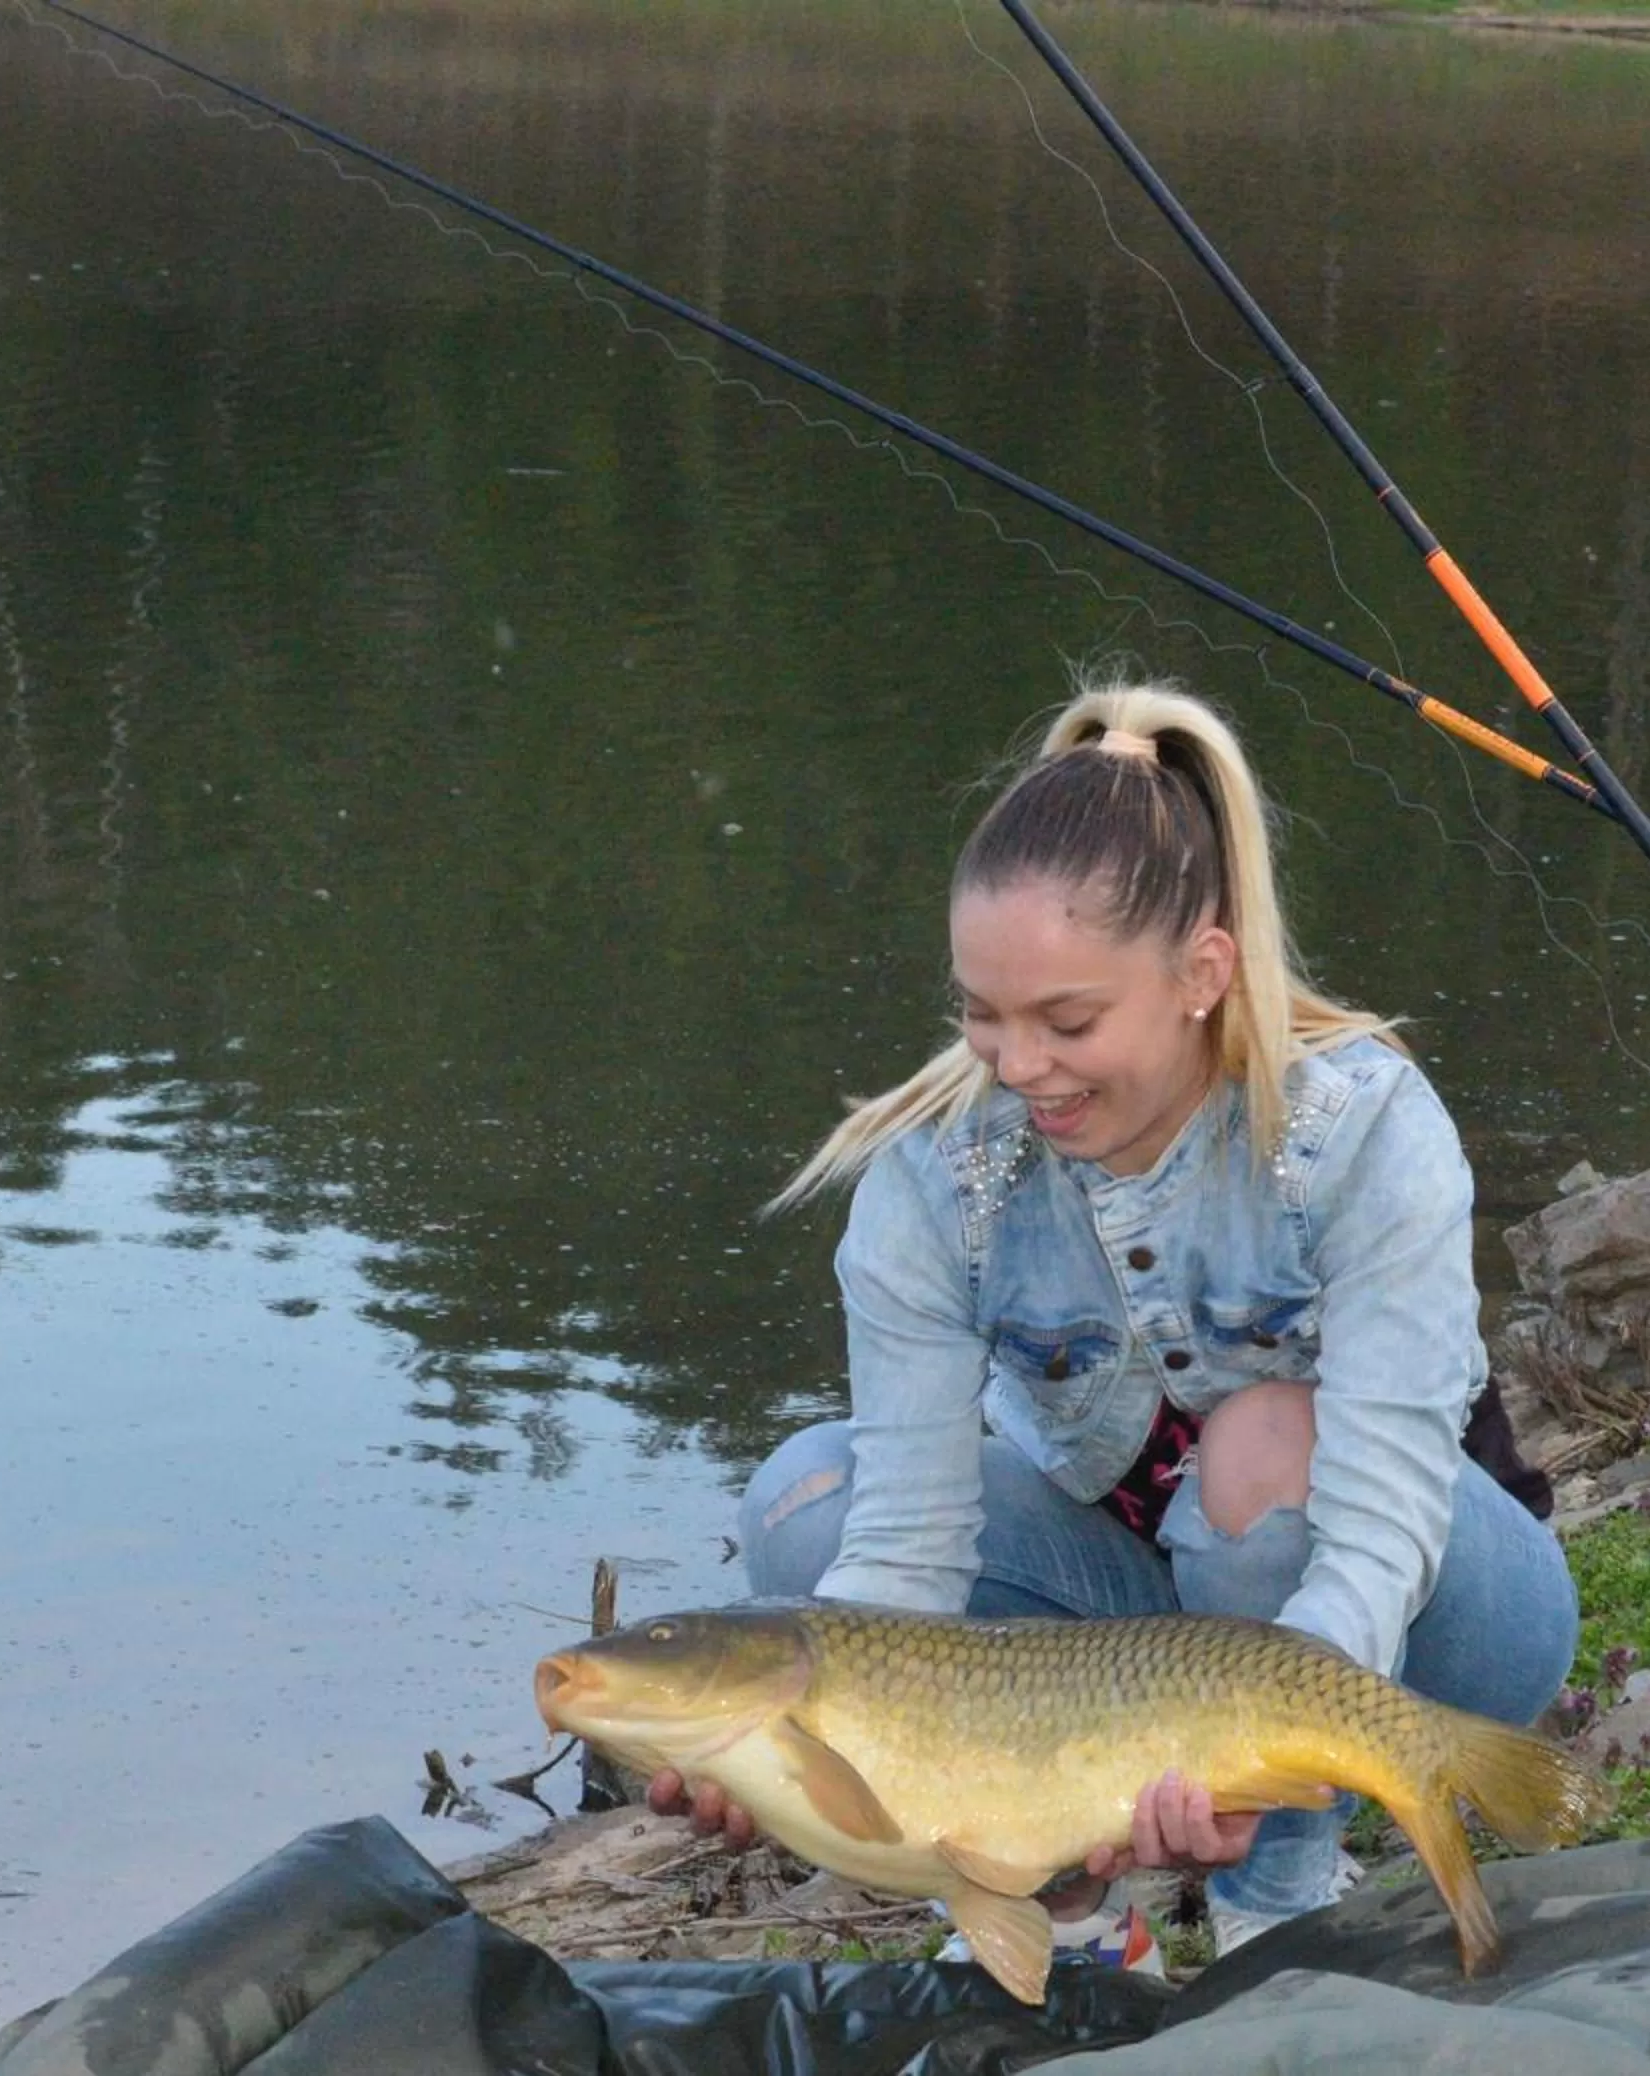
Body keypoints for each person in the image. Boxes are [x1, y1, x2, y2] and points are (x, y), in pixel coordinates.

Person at [652, 672, 1580, 1968]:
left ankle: (1277, 1909)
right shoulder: (937, 1180)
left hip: (1427, 1625)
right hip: (1130, 1642)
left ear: (1204, 973)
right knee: (801, 1506)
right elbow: (903, 1561)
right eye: (982, 1016)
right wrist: (780, 1747)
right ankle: (1071, 1908)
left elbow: (1376, 1541)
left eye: (1066, 1021)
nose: (1016, 1066)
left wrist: (1235, 1759)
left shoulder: (1362, 1128)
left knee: (1262, 1446)